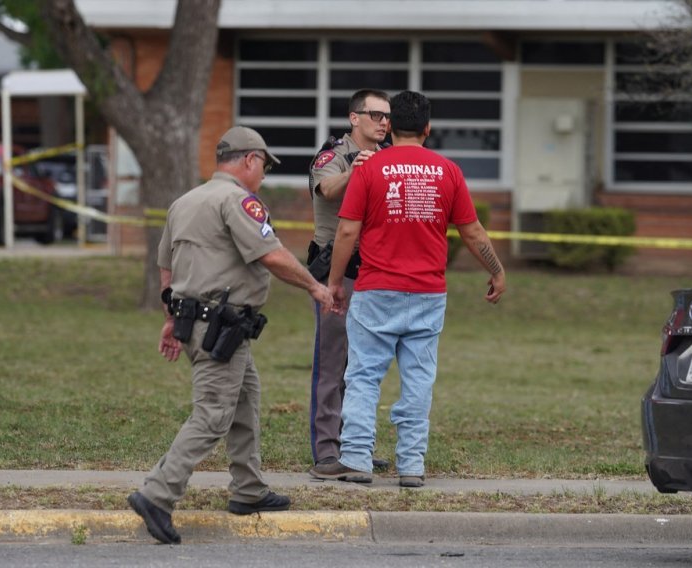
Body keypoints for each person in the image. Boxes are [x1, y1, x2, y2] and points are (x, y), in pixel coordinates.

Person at [128, 126, 335, 545]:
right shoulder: (237, 200)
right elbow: (271, 254)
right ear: (249, 160)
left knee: (245, 397)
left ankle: (248, 489)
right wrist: (315, 286)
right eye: (263, 165)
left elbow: (167, 266)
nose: (262, 174)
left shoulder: (185, 201)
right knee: (213, 414)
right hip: (219, 324)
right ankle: (158, 493)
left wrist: (171, 319)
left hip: (196, 322)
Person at [310, 91, 506, 488]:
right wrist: (496, 270)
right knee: (418, 380)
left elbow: (347, 229)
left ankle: (357, 458)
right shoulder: (448, 171)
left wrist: (333, 283)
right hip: (428, 293)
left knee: (363, 377)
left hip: (375, 289)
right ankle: (412, 466)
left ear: (391, 126)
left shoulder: (369, 168)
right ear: (428, 129)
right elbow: (472, 231)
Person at [306, 88, 391, 470]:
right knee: (332, 362)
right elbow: (325, 188)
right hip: (335, 273)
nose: (384, 123)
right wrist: (356, 167)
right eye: (376, 115)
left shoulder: (387, 157)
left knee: (364, 366)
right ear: (354, 118)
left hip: (374, 272)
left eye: (388, 117)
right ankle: (327, 451)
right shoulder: (333, 156)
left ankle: (355, 446)